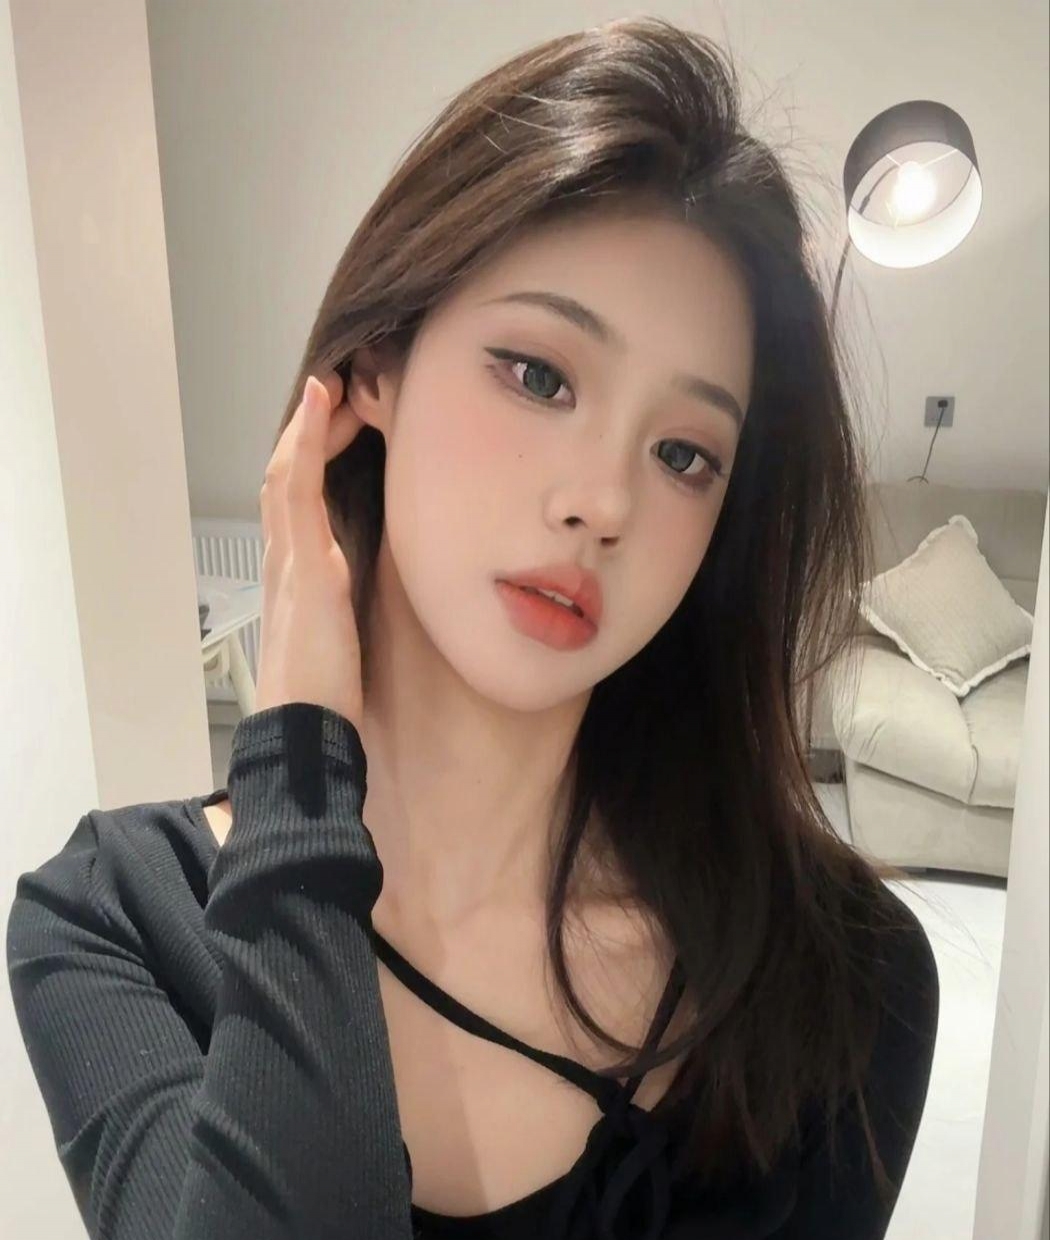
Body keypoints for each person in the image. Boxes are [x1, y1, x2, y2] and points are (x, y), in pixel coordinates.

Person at [6, 16, 939, 1240]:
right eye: (540, 375)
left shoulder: (838, 983)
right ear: (374, 368)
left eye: (684, 454)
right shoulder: (108, 921)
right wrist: (300, 757)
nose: (603, 501)